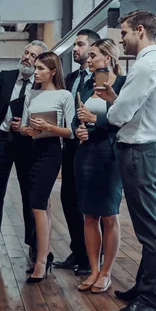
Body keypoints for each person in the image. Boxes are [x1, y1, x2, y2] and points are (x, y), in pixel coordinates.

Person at [97, 10, 156, 311]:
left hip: (139, 153)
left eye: (125, 33)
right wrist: (118, 100)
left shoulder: (145, 67)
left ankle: (149, 299)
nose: (122, 39)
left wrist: (113, 105)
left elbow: (118, 116)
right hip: (148, 150)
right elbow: (134, 109)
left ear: (140, 30)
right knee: (149, 226)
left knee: (150, 231)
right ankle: (144, 287)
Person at [0, 40, 47, 261]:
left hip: (27, 144)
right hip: (1, 140)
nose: (27, 57)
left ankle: (33, 242)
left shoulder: (42, 84)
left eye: (33, 56)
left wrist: (27, 125)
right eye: (26, 52)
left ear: (40, 62)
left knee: (28, 195)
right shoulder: (6, 76)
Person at [73, 39, 126, 294]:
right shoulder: (85, 84)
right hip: (85, 154)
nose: (88, 59)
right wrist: (79, 130)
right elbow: (77, 117)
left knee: (109, 215)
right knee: (89, 214)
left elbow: (126, 121)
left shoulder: (123, 85)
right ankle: (93, 270)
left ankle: (106, 271)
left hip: (110, 154)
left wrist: (97, 120)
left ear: (107, 58)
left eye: (93, 55)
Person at [20, 52, 74, 283]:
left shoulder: (64, 95)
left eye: (41, 68)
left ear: (53, 71)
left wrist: (49, 127)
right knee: (43, 206)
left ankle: (41, 261)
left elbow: (71, 132)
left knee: (38, 206)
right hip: (30, 151)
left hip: (50, 153)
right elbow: (22, 126)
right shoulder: (30, 94)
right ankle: (45, 254)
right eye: (36, 68)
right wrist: (29, 130)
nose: (36, 72)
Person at [54, 29, 101, 276]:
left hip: (92, 146)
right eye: (75, 45)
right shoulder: (71, 78)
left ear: (93, 48)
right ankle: (78, 250)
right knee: (68, 199)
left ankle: (93, 257)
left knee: (90, 204)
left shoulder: (100, 80)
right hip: (69, 146)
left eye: (80, 45)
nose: (75, 49)